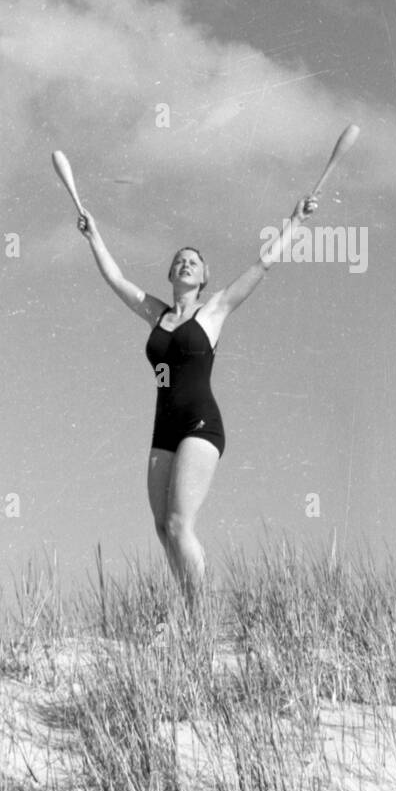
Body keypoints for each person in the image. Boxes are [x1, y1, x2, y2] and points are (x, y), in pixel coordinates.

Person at [77, 195, 317, 603]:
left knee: (178, 522)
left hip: (200, 424)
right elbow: (117, 279)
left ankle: (199, 614)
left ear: (205, 276)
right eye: (179, 260)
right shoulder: (156, 314)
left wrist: (294, 221)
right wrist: (94, 235)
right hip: (163, 428)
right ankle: (190, 608)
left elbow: (262, 265)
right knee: (161, 526)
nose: (186, 263)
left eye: (194, 261)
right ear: (170, 273)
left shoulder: (214, 310)